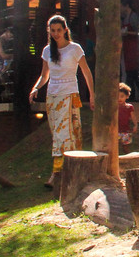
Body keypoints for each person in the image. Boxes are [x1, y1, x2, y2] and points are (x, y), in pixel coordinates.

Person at [29, 15, 95, 188]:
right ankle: (68, 170)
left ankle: (57, 173)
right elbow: (45, 75)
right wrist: (36, 88)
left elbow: (86, 72)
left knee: (66, 133)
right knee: (58, 134)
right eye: (53, 31)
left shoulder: (74, 49)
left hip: (69, 94)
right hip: (52, 95)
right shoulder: (47, 50)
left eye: (59, 30)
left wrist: (92, 95)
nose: (56, 33)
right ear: (49, 31)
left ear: (65, 30)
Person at [117, 82, 138, 150]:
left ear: (127, 96)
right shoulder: (114, 107)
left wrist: (135, 125)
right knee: (114, 146)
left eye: (122, 96)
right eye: (117, 96)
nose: (119, 98)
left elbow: (133, 117)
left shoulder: (129, 107)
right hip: (115, 130)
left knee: (126, 146)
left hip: (126, 130)